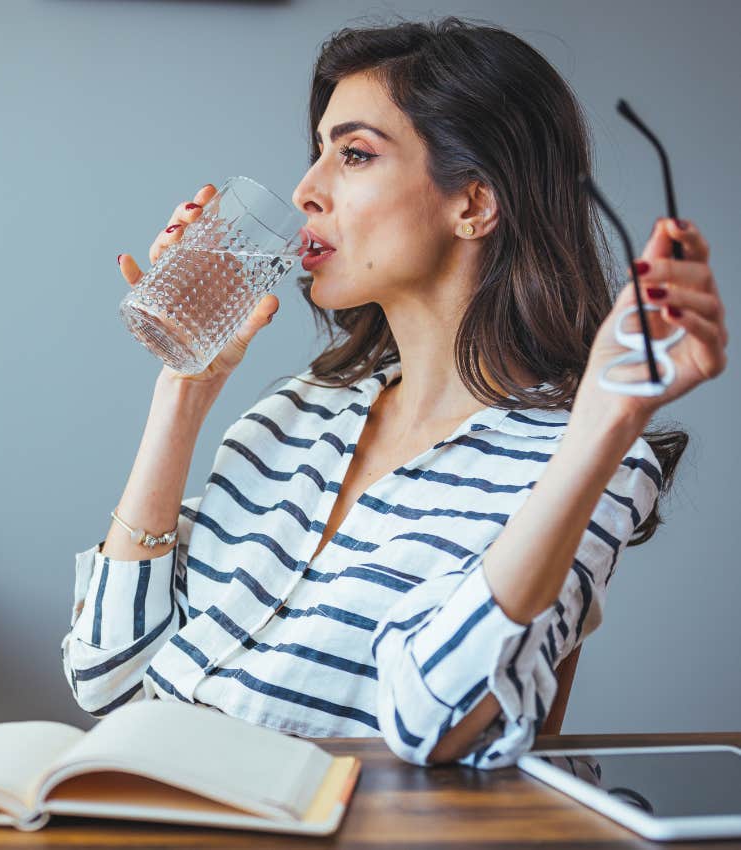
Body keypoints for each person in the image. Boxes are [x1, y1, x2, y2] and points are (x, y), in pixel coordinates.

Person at [61, 16, 727, 769]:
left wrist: (603, 425)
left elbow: (430, 727)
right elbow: (105, 674)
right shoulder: (295, 413)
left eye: (353, 154)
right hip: (143, 803)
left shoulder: (585, 456)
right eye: (317, 153)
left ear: (472, 204)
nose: (306, 190)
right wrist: (184, 388)